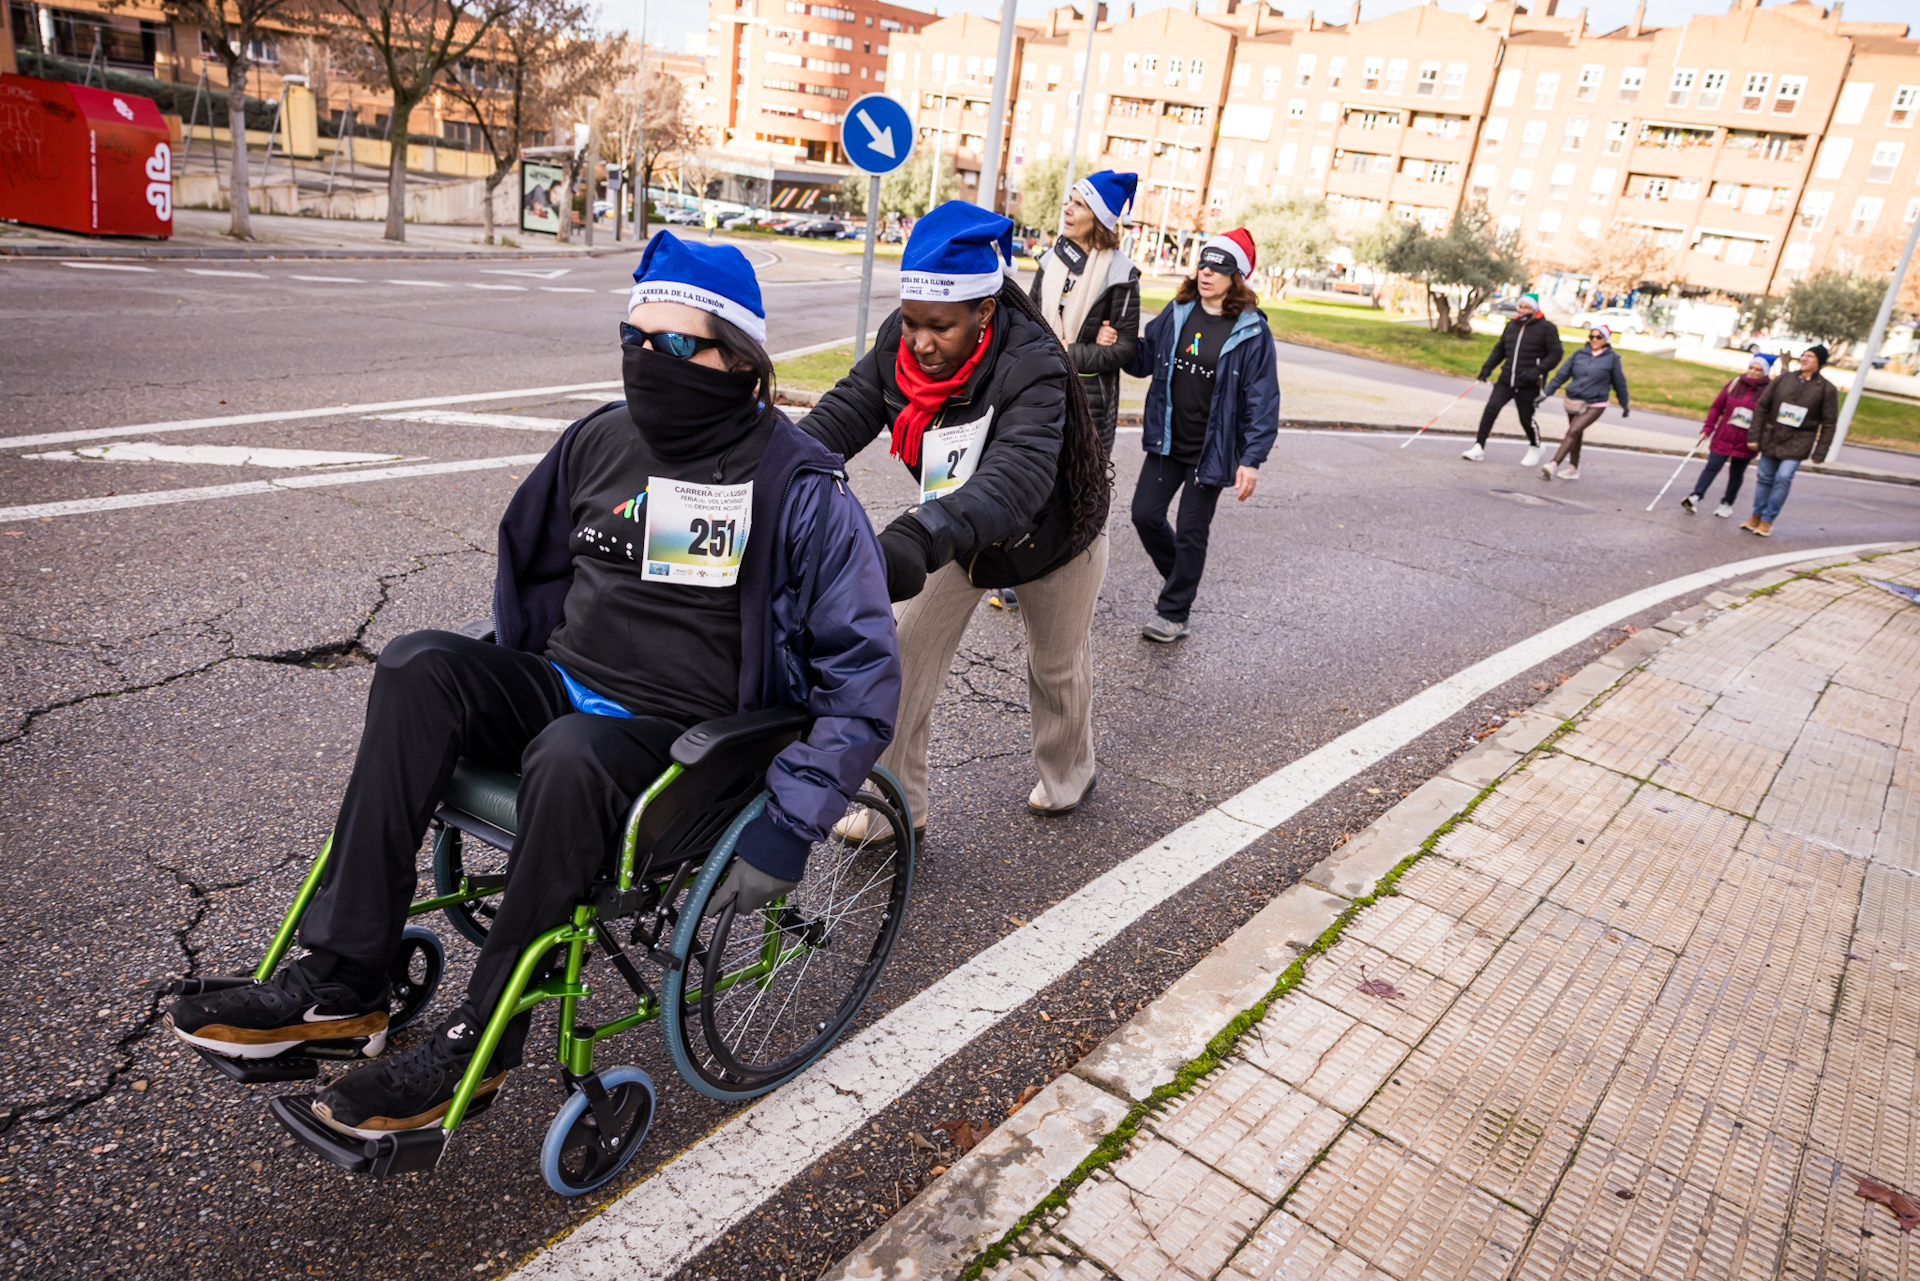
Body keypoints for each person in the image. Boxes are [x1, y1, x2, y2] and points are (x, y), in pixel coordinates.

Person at [166, 232, 901, 1138]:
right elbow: (535, 570)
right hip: (569, 689)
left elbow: (862, 678)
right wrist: (508, 681)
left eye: (675, 347)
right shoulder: (598, 440)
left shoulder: (800, 489)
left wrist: (791, 824)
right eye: (634, 339)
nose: (647, 360)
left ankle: (483, 1039)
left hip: (691, 743)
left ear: (739, 360)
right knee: (416, 665)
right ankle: (346, 975)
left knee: (571, 752)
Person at [801, 200, 1110, 822]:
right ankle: (898, 802)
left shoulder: (1034, 363)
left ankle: (1070, 771)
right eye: (910, 322)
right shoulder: (902, 340)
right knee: (905, 653)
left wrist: (921, 531)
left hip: (1051, 535)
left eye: (939, 326)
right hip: (957, 529)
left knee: (1054, 665)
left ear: (984, 311)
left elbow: (1017, 477)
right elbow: (847, 409)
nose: (919, 342)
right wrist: (775, 467)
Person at [1124, 228, 1279, 644]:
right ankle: (1183, 581)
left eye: (1220, 266)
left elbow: (1262, 399)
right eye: (1204, 263)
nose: (1207, 272)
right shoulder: (1178, 312)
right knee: (1144, 515)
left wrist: (1252, 459)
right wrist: (1116, 344)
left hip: (1211, 449)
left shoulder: (1251, 332)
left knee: (1192, 530)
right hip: (1168, 440)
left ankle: (1173, 612)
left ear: (1237, 277)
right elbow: (1143, 361)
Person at [1004, 170, 1142, 619]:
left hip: (1091, 403)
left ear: (1098, 218)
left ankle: (1073, 581)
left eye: (1079, 205)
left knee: (1082, 490)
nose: (1067, 209)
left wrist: (1067, 351)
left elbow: (1123, 347)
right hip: (1040, 389)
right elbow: (1025, 320)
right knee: (1032, 478)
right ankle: (1019, 572)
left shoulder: (1120, 276)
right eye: (1068, 202)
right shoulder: (1049, 262)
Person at [1742, 344, 1839, 537]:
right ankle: (1756, 515)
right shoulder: (1784, 379)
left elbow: (1829, 423)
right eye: (1803, 355)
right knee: (1764, 479)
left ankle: (1768, 520)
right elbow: (1762, 407)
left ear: (1819, 362)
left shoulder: (1826, 389)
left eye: (1810, 356)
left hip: (1799, 441)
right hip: (1772, 437)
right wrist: (1754, 436)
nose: (1804, 359)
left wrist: (1821, 452)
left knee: (1783, 478)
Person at [1463, 292, 1563, 467]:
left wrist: (1537, 371)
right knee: (1491, 410)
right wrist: (1487, 368)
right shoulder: (1512, 326)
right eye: (1520, 307)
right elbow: (1500, 350)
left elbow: (1556, 354)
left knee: (1526, 418)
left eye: (1526, 307)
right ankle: (1479, 446)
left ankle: (1536, 446)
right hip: (1506, 379)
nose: (1522, 311)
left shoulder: (1547, 328)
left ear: (1535, 309)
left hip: (1529, 382)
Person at [1682, 354, 1770, 516]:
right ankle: (1695, 496)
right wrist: (1708, 428)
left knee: (1736, 473)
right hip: (1725, 435)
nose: (1753, 372)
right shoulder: (1735, 384)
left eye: (1758, 370)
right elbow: (1716, 407)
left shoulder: (1768, 391)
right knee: (1712, 466)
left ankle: (1727, 503)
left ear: (1765, 372)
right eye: (1751, 367)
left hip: (1747, 441)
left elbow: (1768, 418)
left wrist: (1760, 440)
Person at [1541, 323, 1630, 480]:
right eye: (1591, 336)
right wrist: (1547, 393)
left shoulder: (1612, 359)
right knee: (1576, 433)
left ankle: (1553, 464)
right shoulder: (1579, 354)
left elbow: (1619, 383)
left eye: (1598, 337)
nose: (1594, 340)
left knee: (1573, 431)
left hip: (1596, 403)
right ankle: (1573, 468)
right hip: (1574, 401)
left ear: (1606, 339)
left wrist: (1625, 404)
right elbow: (1562, 374)